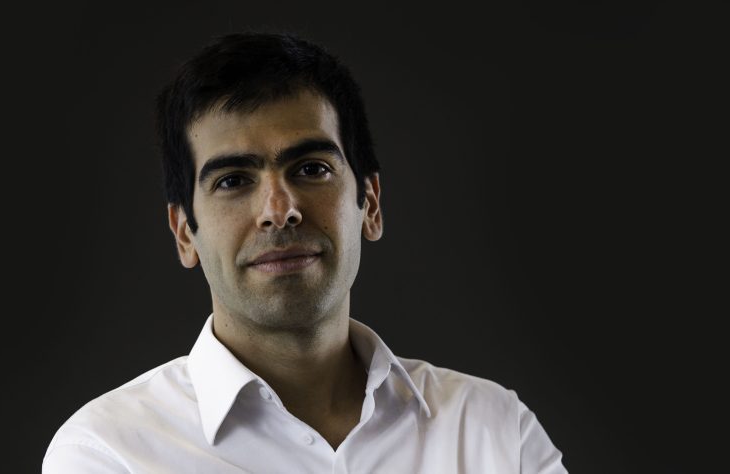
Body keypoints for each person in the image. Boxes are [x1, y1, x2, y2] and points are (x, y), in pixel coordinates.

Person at [43, 33, 567, 473]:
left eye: (312, 169)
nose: (280, 210)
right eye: (232, 180)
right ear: (184, 232)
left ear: (370, 204)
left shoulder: (497, 431)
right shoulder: (107, 453)